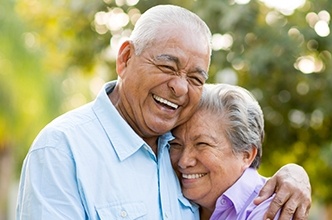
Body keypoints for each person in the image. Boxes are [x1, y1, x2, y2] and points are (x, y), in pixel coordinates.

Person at [16, 4, 311, 220]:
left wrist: (294, 174)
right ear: (126, 58)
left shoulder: (180, 145)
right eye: (167, 66)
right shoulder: (62, 150)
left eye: (196, 78)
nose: (180, 87)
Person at [169, 84, 311, 220]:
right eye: (176, 144)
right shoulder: (172, 194)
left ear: (246, 155)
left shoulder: (271, 209)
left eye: (202, 144)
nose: (184, 161)